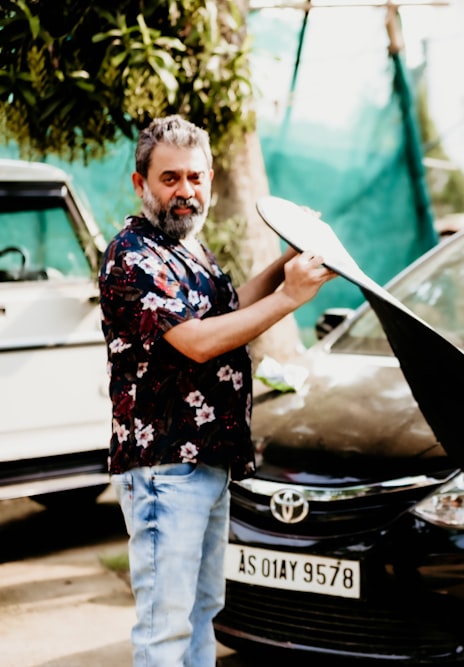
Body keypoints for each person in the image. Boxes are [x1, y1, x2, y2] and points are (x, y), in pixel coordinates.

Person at [98, 115, 336, 666]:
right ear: (141, 184)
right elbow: (200, 342)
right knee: (165, 631)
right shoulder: (133, 256)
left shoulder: (190, 250)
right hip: (164, 470)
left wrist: (289, 259)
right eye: (170, 178)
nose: (186, 192)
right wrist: (290, 300)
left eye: (196, 178)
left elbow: (230, 311)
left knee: (202, 613)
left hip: (206, 463)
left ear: (211, 181)